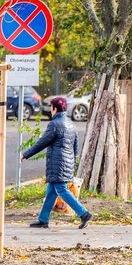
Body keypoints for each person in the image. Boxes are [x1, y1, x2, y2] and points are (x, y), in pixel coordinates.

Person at [21, 97, 93, 229]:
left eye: (51, 108)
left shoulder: (54, 124)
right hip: (66, 163)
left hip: (57, 164)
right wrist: (72, 162)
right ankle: (43, 220)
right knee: (51, 192)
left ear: (54, 109)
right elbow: (75, 147)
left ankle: (83, 213)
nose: (50, 110)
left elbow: (42, 142)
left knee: (62, 190)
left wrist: (26, 154)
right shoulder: (71, 124)